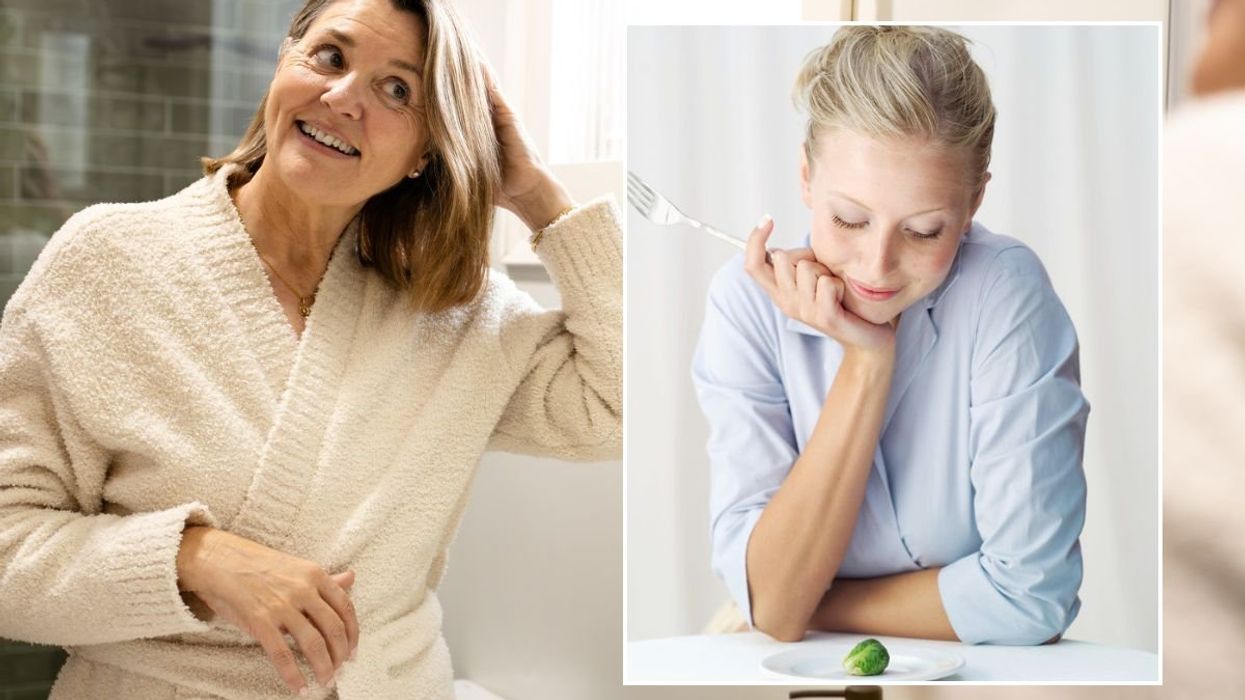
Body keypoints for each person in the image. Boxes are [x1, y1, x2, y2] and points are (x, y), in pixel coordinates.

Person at [0, 0, 620, 697]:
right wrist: (193, 558)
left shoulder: (453, 313)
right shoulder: (109, 261)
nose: (344, 97)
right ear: (283, 62)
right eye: (330, 57)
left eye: (398, 90)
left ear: (426, 152)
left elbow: (624, 407)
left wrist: (537, 195)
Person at [693, 26, 1087, 645]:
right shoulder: (745, 304)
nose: (877, 267)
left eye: (925, 231)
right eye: (849, 219)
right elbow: (771, 606)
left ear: (974, 202)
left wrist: (809, 604)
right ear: (806, 178)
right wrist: (867, 359)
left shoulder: (1005, 295)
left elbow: (1031, 598)